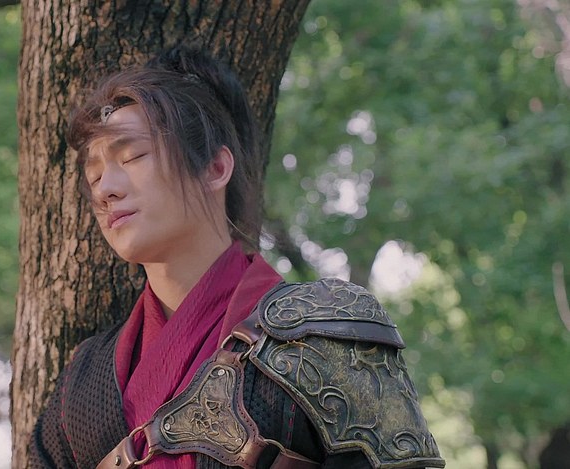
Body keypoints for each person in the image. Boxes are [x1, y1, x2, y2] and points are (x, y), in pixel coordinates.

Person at [28, 46, 444, 469]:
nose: (104, 189)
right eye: (94, 174)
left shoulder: (324, 332)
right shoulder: (82, 383)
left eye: (131, 157)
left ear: (214, 168)